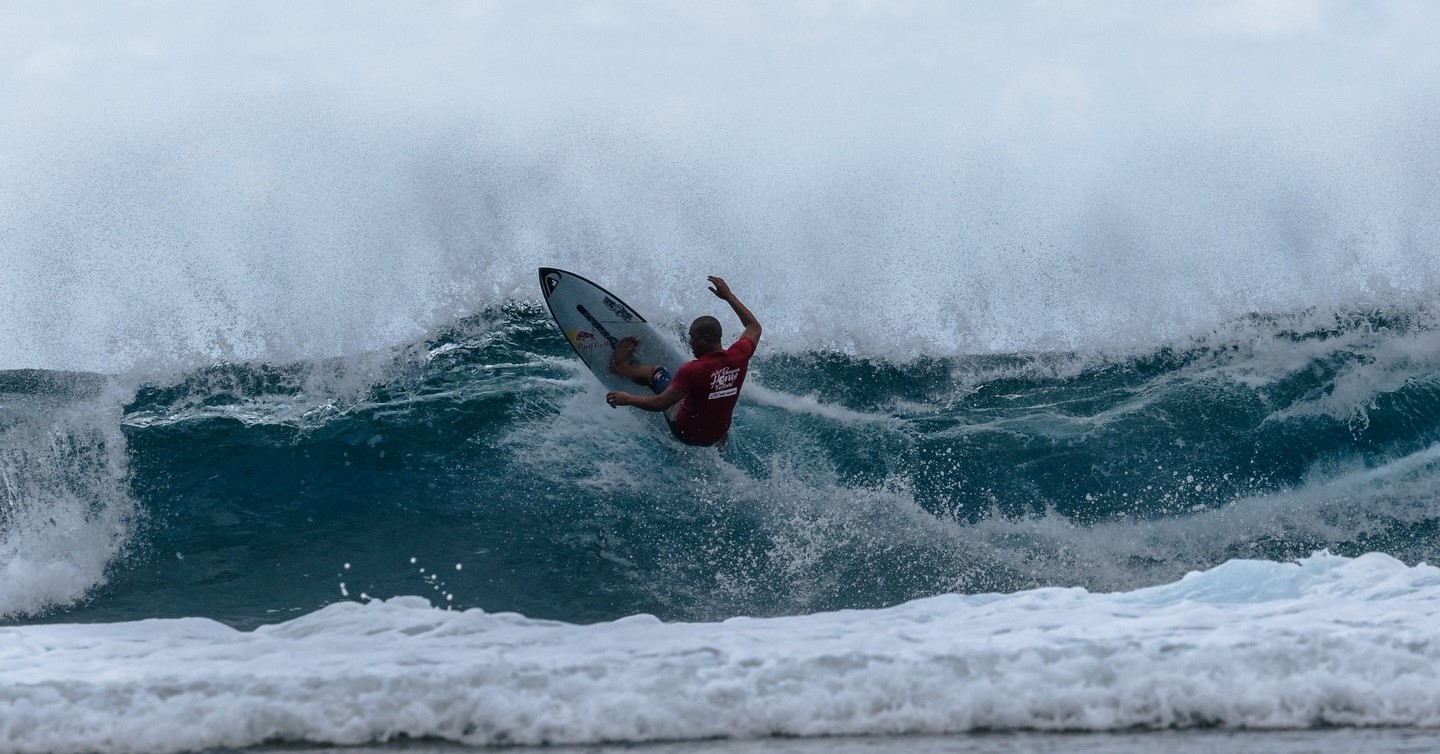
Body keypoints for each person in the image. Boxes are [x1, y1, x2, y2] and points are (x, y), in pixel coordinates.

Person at [605, 276, 761, 447]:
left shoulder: (693, 370)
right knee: (711, 398)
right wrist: (728, 296)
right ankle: (719, 445)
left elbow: (661, 403)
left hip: (685, 433)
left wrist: (628, 399)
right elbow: (753, 326)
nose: (690, 342)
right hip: (717, 434)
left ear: (705, 339)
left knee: (656, 372)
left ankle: (620, 367)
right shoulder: (740, 355)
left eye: (693, 337)